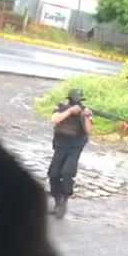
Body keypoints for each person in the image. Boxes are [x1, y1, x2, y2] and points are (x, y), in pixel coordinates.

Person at [47, 89, 92, 219]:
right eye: (75, 98)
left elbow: (89, 130)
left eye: (78, 99)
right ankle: (56, 202)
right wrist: (69, 112)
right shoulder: (61, 108)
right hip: (60, 146)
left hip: (75, 147)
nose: (76, 101)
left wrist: (86, 116)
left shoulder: (84, 111)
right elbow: (54, 120)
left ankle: (64, 202)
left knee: (67, 172)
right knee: (53, 174)